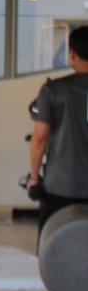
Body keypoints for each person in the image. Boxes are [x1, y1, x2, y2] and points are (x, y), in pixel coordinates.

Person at [29, 26, 88, 232]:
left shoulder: (53, 90)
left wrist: (34, 179)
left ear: (72, 54)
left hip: (61, 188)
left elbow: (39, 138)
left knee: (53, 250)